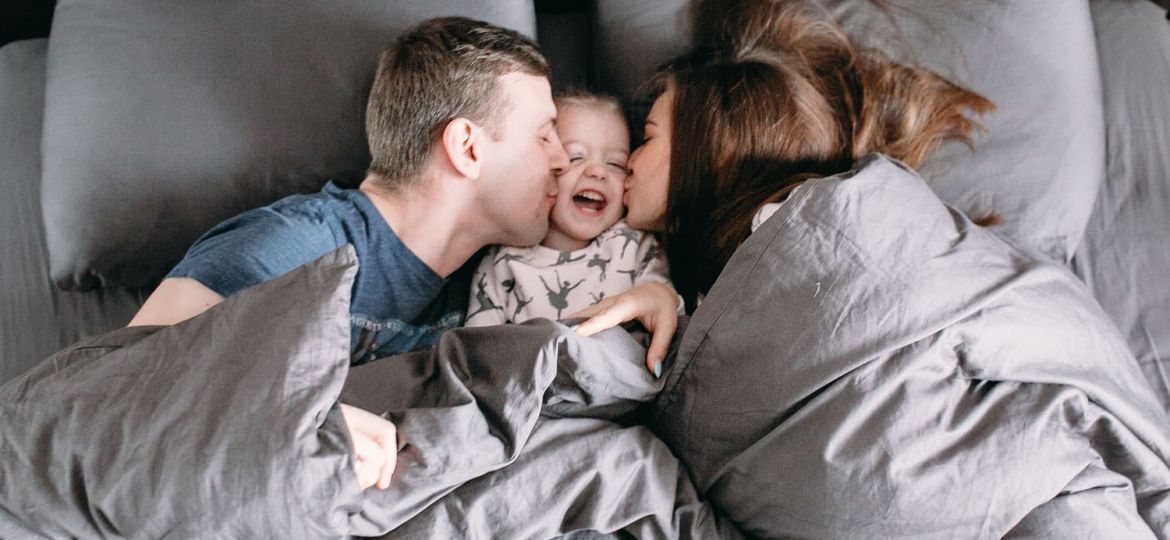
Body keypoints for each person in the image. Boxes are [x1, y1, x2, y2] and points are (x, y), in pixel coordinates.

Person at [126, 17, 570, 490]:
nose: (563, 159)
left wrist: (654, 293)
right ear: (467, 147)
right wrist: (292, 421)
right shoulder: (294, 244)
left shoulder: (494, 281)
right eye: (544, 135)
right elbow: (123, 380)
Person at [572, 0, 994, 338]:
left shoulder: (784, 230)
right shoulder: (690, 271)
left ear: (712, 155)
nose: (628, 161)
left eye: (647, 139)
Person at [463, 91, 675, 375]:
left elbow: (664, 307)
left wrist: (661, 295)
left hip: (616, 392)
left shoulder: (634, 246)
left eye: (615, 164)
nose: (598, 172)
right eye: (576, 158)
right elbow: (475, 357)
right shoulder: (503, 263)